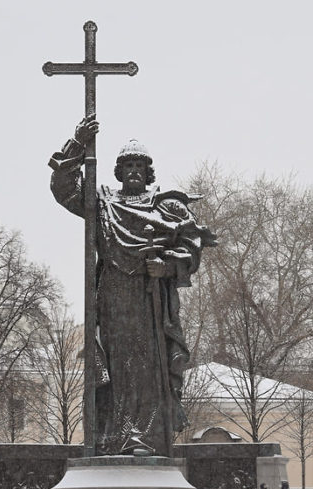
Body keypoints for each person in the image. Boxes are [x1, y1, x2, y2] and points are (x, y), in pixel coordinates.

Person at [49, 119, 217, 456]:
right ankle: (113, 437)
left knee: (148, 370)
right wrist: (77, 146)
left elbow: (192, 246)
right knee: (115, 370)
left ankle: (146, 437)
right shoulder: (103, 203)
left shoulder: (166, 206)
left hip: (148, 299)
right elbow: (64, 190)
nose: (134, 171)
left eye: (140, 165)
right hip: (111, 299)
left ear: (149, 170)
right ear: (118, 170)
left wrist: (166, 266)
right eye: (128, 165)